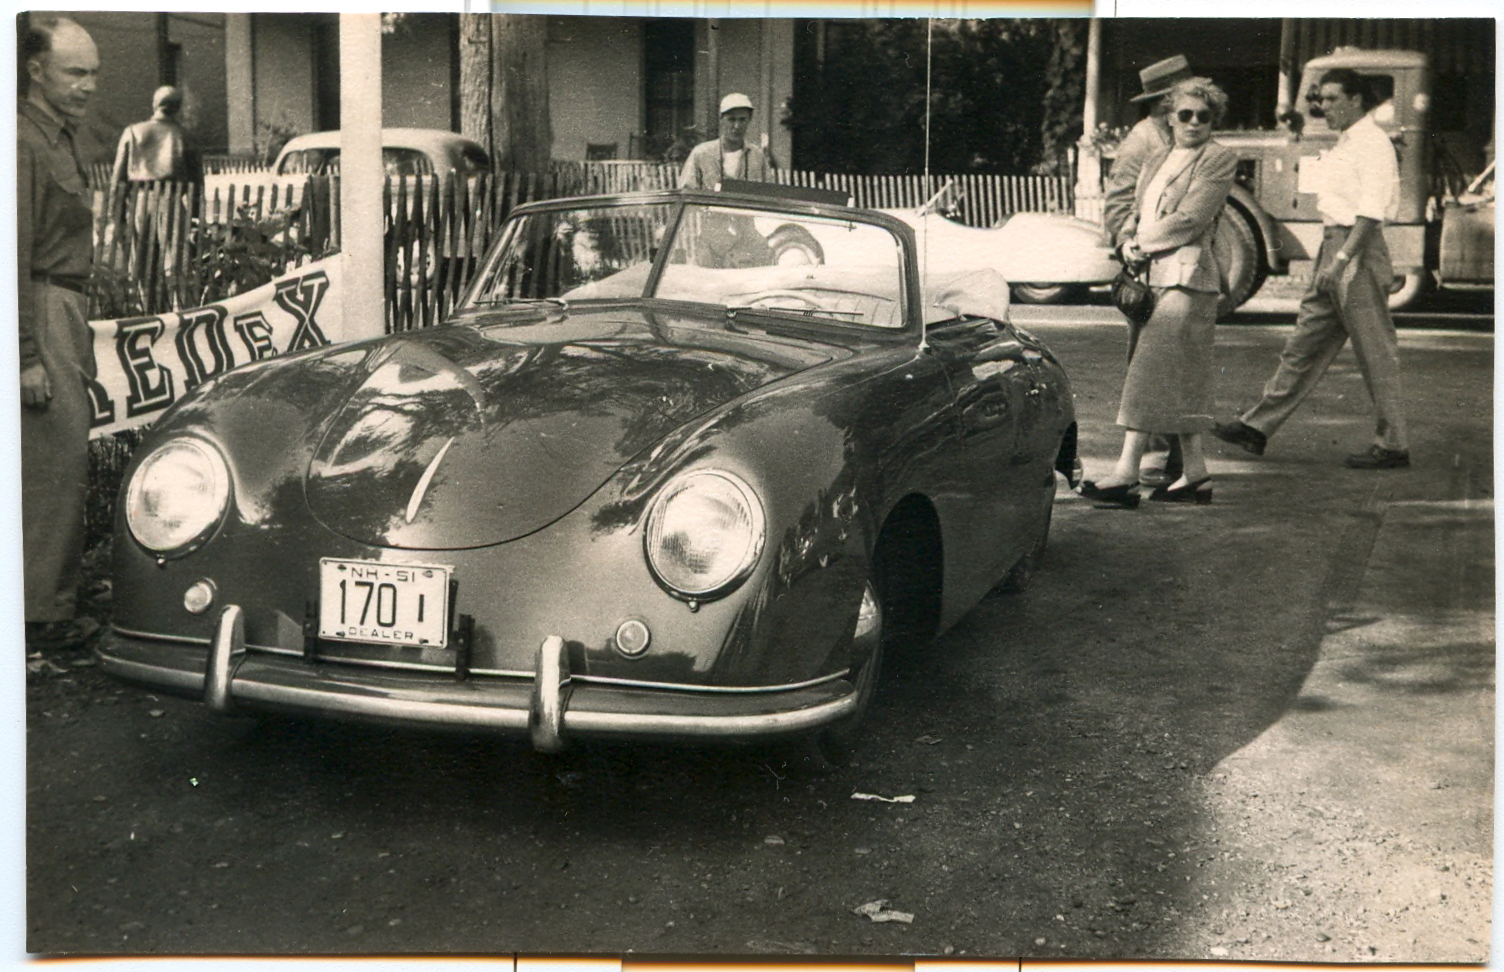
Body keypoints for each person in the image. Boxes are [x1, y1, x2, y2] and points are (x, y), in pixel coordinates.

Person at [1213, 68, 1409, 469]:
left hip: (1357, 252)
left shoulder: (1372, 143)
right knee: (1304, 343)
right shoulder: (1348, 141)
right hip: (1334, 247)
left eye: (1334, 99)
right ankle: (1257, 426)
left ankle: (1393, 444)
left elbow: (1370, 214)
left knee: (1376, 351)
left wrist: (1340, 262)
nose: (1324, 108)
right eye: (1322, 99)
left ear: (1356, 100)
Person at [1079, 77, 1236, 508]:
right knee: (1181, 377)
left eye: (1204, 117)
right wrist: (1128, 235)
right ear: (1169, 117)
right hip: (1151, 278)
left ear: (1213, 122)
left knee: (1147, 372)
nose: (1193, 123)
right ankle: (1196, 475)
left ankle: (1126, 473)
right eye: (1184, 114)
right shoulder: (1159, 156)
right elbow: (1137, 208)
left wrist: (1140, 243)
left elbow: (1192, 217)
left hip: (1188, 279)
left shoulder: (1219, 159)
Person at [17, 15, 102, 653]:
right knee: (54, 464)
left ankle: (48, 596)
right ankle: (42, 617)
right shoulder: (20, 141)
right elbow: (9, 254)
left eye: (94, 72)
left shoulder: (60, 137)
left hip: (63, 306)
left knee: (60, 456)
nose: (89, 85)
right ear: (35, 69)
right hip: (39, 307)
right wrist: (25, 356)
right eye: (75, 71)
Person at [1102, 54, 1194, 489]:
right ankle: (1158, 456)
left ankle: (1175, 458)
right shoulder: (1143, 140)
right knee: (1148, 361)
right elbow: (1118, 200)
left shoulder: (1183, 137)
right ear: (1163, 102)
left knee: (1177, 361)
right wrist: (1126, 246)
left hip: (1179, 268)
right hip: (1146, 268)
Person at [111, 85, 200, 304]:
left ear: (154, 104)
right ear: (178, 108)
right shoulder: (185, 136)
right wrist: (194, 215)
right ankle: (179, 314)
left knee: (141, 266)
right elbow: (197, 182)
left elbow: (117, 180)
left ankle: (147, 312)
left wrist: (118, 216)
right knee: (176, 265)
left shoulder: (132, 132)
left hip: (140, 203)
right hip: (172, 202)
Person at [678, 93, 774, 189]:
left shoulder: (757, 156)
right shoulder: (701, 154)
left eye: (742, 119)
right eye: (731, 120)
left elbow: (769, 193)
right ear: (721, 119)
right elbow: (686, 192)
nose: (737, 126)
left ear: (750, 120)